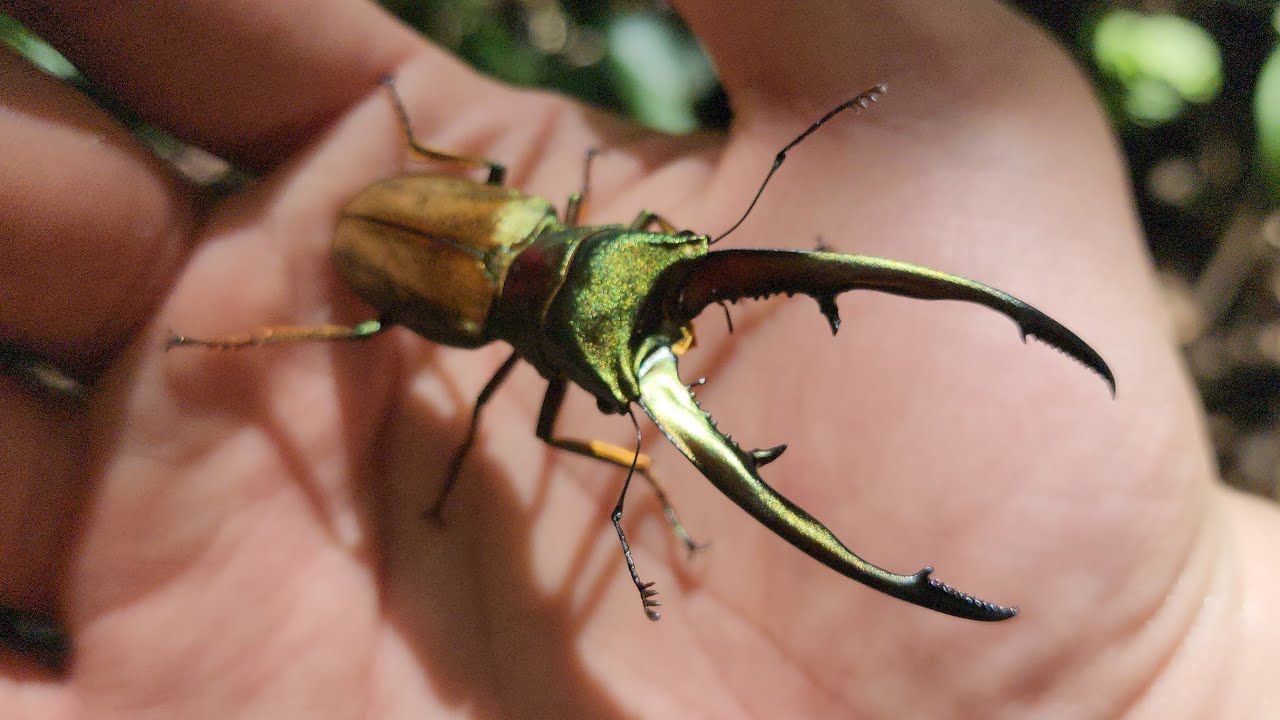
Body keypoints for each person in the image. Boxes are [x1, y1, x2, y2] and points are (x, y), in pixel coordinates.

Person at [2, 0, 1273, 716]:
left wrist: (1173, 672)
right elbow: (564, 413)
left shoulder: (527, 224)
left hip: (474, 228)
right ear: (586, 232)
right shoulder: (512, 276)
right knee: (353, 326)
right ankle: (259, 339)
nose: (654, 284)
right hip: (416, 251)